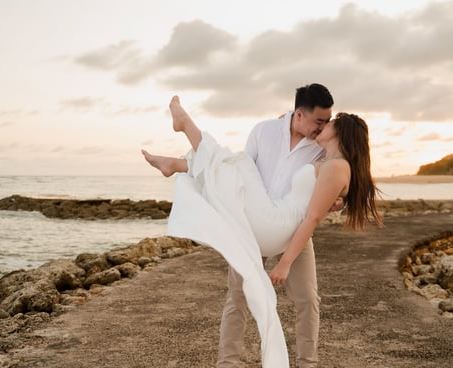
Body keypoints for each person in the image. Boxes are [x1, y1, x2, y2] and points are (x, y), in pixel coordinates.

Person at [142, 92, 380, 367]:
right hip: (267, 219)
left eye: (328, 122)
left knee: (307, 300)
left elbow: (314, 216)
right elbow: (326, 193)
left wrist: (286, 263)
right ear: (298, 115)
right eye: (320, 120)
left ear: (340, 133)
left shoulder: (331, 160)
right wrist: (338, 197)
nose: (322, 126)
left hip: (280, 226)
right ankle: (228, 363)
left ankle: (184, 136)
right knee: (237, 168)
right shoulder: (269, 133)